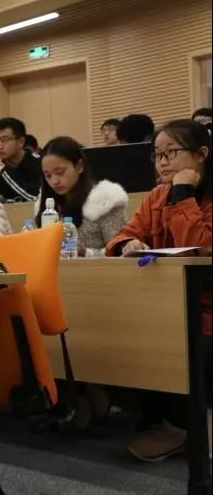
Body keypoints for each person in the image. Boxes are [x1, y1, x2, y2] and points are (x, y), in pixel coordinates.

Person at [106, 119, 211, 462]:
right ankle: (168, 423)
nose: (162, 163)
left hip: (205, 304)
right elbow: (122, 235)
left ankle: (186, 425)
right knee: (118, 335)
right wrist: (127, 244)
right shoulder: (156, 196)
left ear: (202, 154)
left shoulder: (185, 195)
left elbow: (199, 249)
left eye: (172, 153)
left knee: (191, 338)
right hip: (166, 302)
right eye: (157, 155)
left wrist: (183, 195)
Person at [35, 137, 128, 257]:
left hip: (97, 269)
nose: (54, 181)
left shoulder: (105, 201)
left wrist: (85, 252)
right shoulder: (48, 207)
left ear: (79, 166)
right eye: (48, 175)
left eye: (60, 172)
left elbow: (120, 252)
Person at [0, 117, 41, 202]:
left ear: (21, 142)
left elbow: (36, 199)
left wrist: (5, 172)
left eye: (4, 140)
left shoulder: (39, 164)